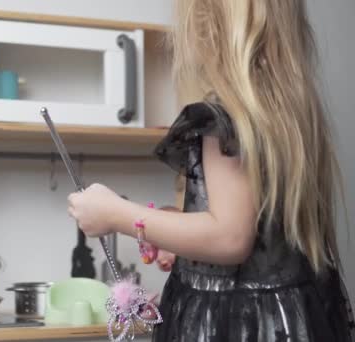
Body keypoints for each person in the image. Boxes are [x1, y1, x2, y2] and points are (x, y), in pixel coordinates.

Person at [67, 1, 355, 341]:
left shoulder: (225, 117)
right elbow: (257, 235)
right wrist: (178, 237)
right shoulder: (292, 114)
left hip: (236, 324)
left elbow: (230, 237)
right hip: (289, 317)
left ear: (208, 23)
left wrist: (116, 215)